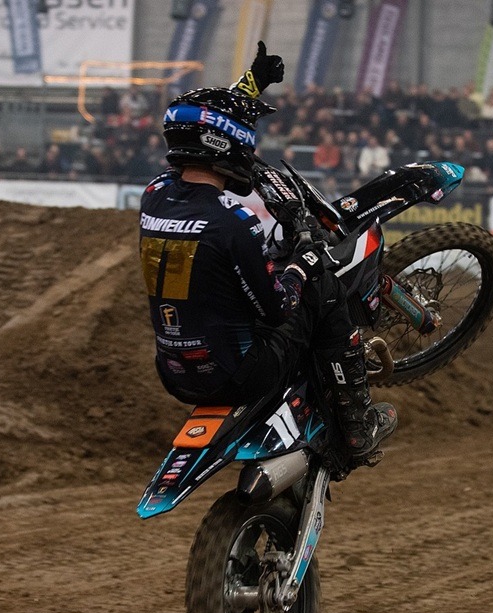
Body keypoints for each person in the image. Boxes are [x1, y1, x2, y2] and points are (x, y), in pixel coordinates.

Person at [139, 43, 397, 464]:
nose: (249, 146)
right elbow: (278, 308)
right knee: (325, 289)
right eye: (245, 138)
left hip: (173, 372)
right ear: (226, 145)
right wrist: (302, 265)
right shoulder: (234, 222)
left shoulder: (155, 195)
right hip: (239, 376)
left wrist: (251, 85)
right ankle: (357, 426)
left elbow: (203, 123)